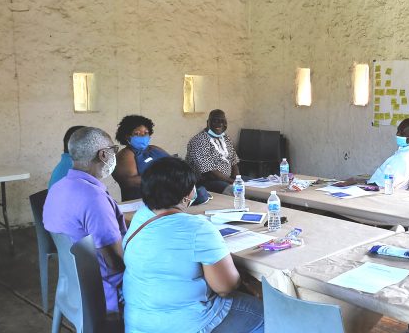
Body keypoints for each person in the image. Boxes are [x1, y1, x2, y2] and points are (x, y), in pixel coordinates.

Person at [122, 157, 264, 333]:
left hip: (138, 323)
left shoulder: (141, 216)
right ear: (188, 193)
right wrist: (247, 281)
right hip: (186, 323)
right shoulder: (197, 228)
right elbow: (225, 287)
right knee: (269, 315)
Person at [44, 127, 126, 313]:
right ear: (103, 155)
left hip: (75, 282)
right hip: (103, 290)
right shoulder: (94, 198)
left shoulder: (59, 187)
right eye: (113, 150)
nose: (114, 155)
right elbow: (115, 262)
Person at [112, 115, 170, 200]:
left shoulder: (154, 149)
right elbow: (130, 181)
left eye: (145, 133)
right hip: (141, 203)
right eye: (137, 133)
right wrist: (164, 178)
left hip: (165, 199)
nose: (142, 136)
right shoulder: (125, 155)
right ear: (127, 136)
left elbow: (174, 164)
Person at [186, 109, 242, 194]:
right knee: (234, 190)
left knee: (251, 185)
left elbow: (233, 161)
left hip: (227, 179)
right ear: (208, 122)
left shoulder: (225, 138)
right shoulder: (199, 140)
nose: (219, 124)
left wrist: (237, 178)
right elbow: (209, 171)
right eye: (215, 121)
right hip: (206, 182)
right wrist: (232, 181)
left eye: (223, 121)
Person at [367, 118, 409, 190]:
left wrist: (360, 184)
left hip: (382, 193)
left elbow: (382, 185)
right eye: (398, 131)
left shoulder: (404, 158)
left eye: (402, 133)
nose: (397, 134)